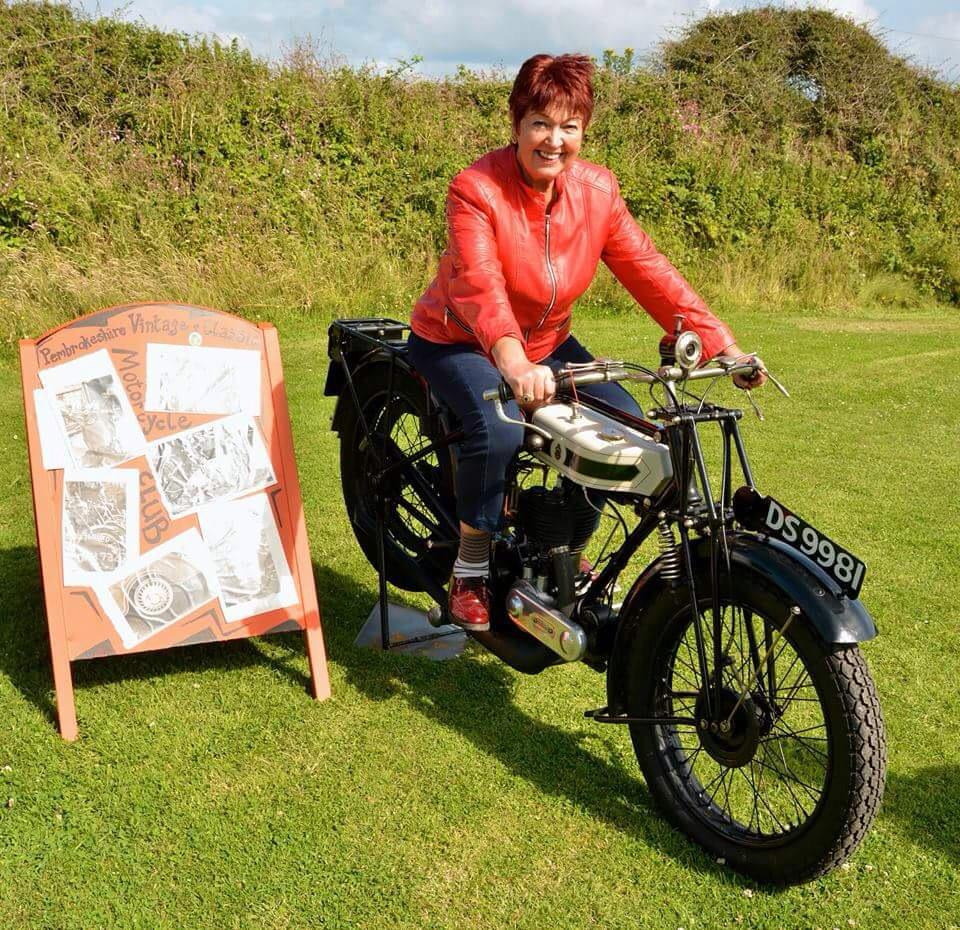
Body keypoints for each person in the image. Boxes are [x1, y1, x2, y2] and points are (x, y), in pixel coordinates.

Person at [407, 53, 765, 632]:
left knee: (628, 429)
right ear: (516, 124)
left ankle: (567, 542)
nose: (554, 140)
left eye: (569, 126)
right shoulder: (476, 190)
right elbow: (479, 285)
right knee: (498, 428)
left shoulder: (598, 192)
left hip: (548, 343)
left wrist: (720, 344)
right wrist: (512, 361)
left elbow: (649, 269)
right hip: (460, 340)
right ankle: (470, 566)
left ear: (583, 131)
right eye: (540, 124)